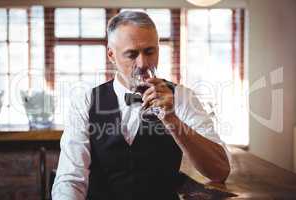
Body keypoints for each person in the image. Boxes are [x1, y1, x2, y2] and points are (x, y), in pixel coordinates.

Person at [52, 11, 230, 200]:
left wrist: (172, 119)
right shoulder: (85, 102)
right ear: (111, 55)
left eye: (150, 51)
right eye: (131, 54)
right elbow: (71, 178)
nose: (143, 63)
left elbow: (219, 171)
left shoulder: (183, 98)